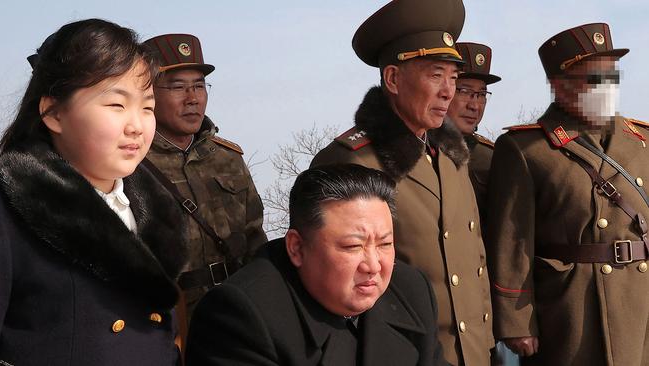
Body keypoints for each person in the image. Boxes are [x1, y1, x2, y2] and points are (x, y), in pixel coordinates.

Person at [310, 0, 493, 364]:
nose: (448, 92)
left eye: (454, 78)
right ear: (393, 79)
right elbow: (326, 283)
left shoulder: (453, 157)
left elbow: (474, 259)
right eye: (435, 75)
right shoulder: (353, 161)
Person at [0, 19, 187, 365]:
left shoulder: (157, 209)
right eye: (116, 105)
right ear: (53, 112)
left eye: (147, 107)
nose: (137, 125)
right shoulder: (9, 211)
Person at [487, 23, 649, 365]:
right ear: (559, 86)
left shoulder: (642, 139)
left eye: (611, 76)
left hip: (640, 296)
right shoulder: (526, 148)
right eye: (594, 79)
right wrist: (516, 320)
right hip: (572, 303)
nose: (606, 88)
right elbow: (512, 242)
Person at [185, 164, 449, 366]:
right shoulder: (241, 315)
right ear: (297, 248)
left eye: (384, 244)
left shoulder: (411, 290)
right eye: (352, 246)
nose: (373, 265)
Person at [142, 34, 267, 320]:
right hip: (168, 317)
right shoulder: (133, 163)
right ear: (148, 93)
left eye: (199, 86)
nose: (192, 99)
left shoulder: (228, 158)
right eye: (178, 87)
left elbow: (255, 239)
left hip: (237, 307)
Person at [446, 42, 501, 224]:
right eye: (465, 91)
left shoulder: (490, 158)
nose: (474, 105)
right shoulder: (416, 150)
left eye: (482, 94)